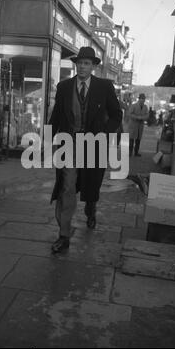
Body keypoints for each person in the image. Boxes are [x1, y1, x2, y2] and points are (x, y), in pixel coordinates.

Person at [48, 46, 122, 253]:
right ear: (76, 65)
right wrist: (46, 142)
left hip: (93, 146)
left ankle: (91, 208)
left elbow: (117, 115)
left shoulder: (105, 87)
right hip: (69, 144)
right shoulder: (64, 87)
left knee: (91, 188)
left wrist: (104, 133)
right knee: (67, 187)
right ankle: (64, 235)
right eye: (80, 63)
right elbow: (55, 118)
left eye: (87, 63)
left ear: (93, 67)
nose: (82, 67)